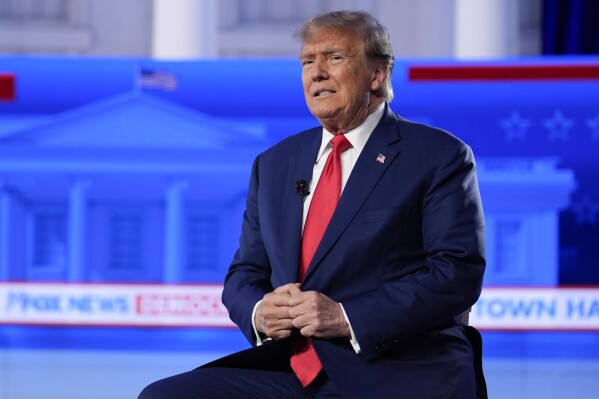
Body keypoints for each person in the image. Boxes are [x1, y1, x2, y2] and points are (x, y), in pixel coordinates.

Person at [139, 10, 486, 399]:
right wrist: (260, 312)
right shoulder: (274, 164)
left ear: (378, 74)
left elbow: (457, 272)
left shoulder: (437, 155)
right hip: (293, 369)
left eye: (334, 57)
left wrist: (344, 317)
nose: (316, 72)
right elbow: (245, 272)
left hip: (395, 369)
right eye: (308, 61)